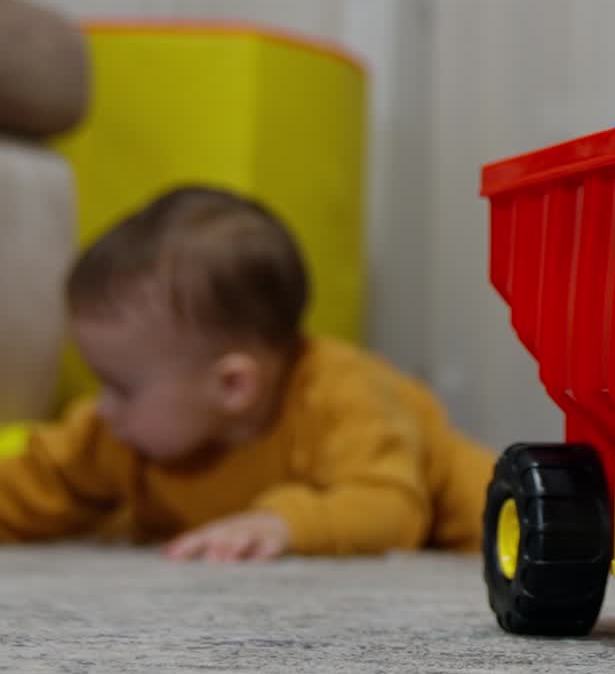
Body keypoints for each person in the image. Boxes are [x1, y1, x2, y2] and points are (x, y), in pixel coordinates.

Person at [0, 186, 493, 559]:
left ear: (232, 385)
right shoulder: (116, 434)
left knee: (505, 518)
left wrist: (282, 524)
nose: (103, 407)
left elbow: (391, 507)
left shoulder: (342, 393)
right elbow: (39, 481)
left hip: (436, 493)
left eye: (122, 387)